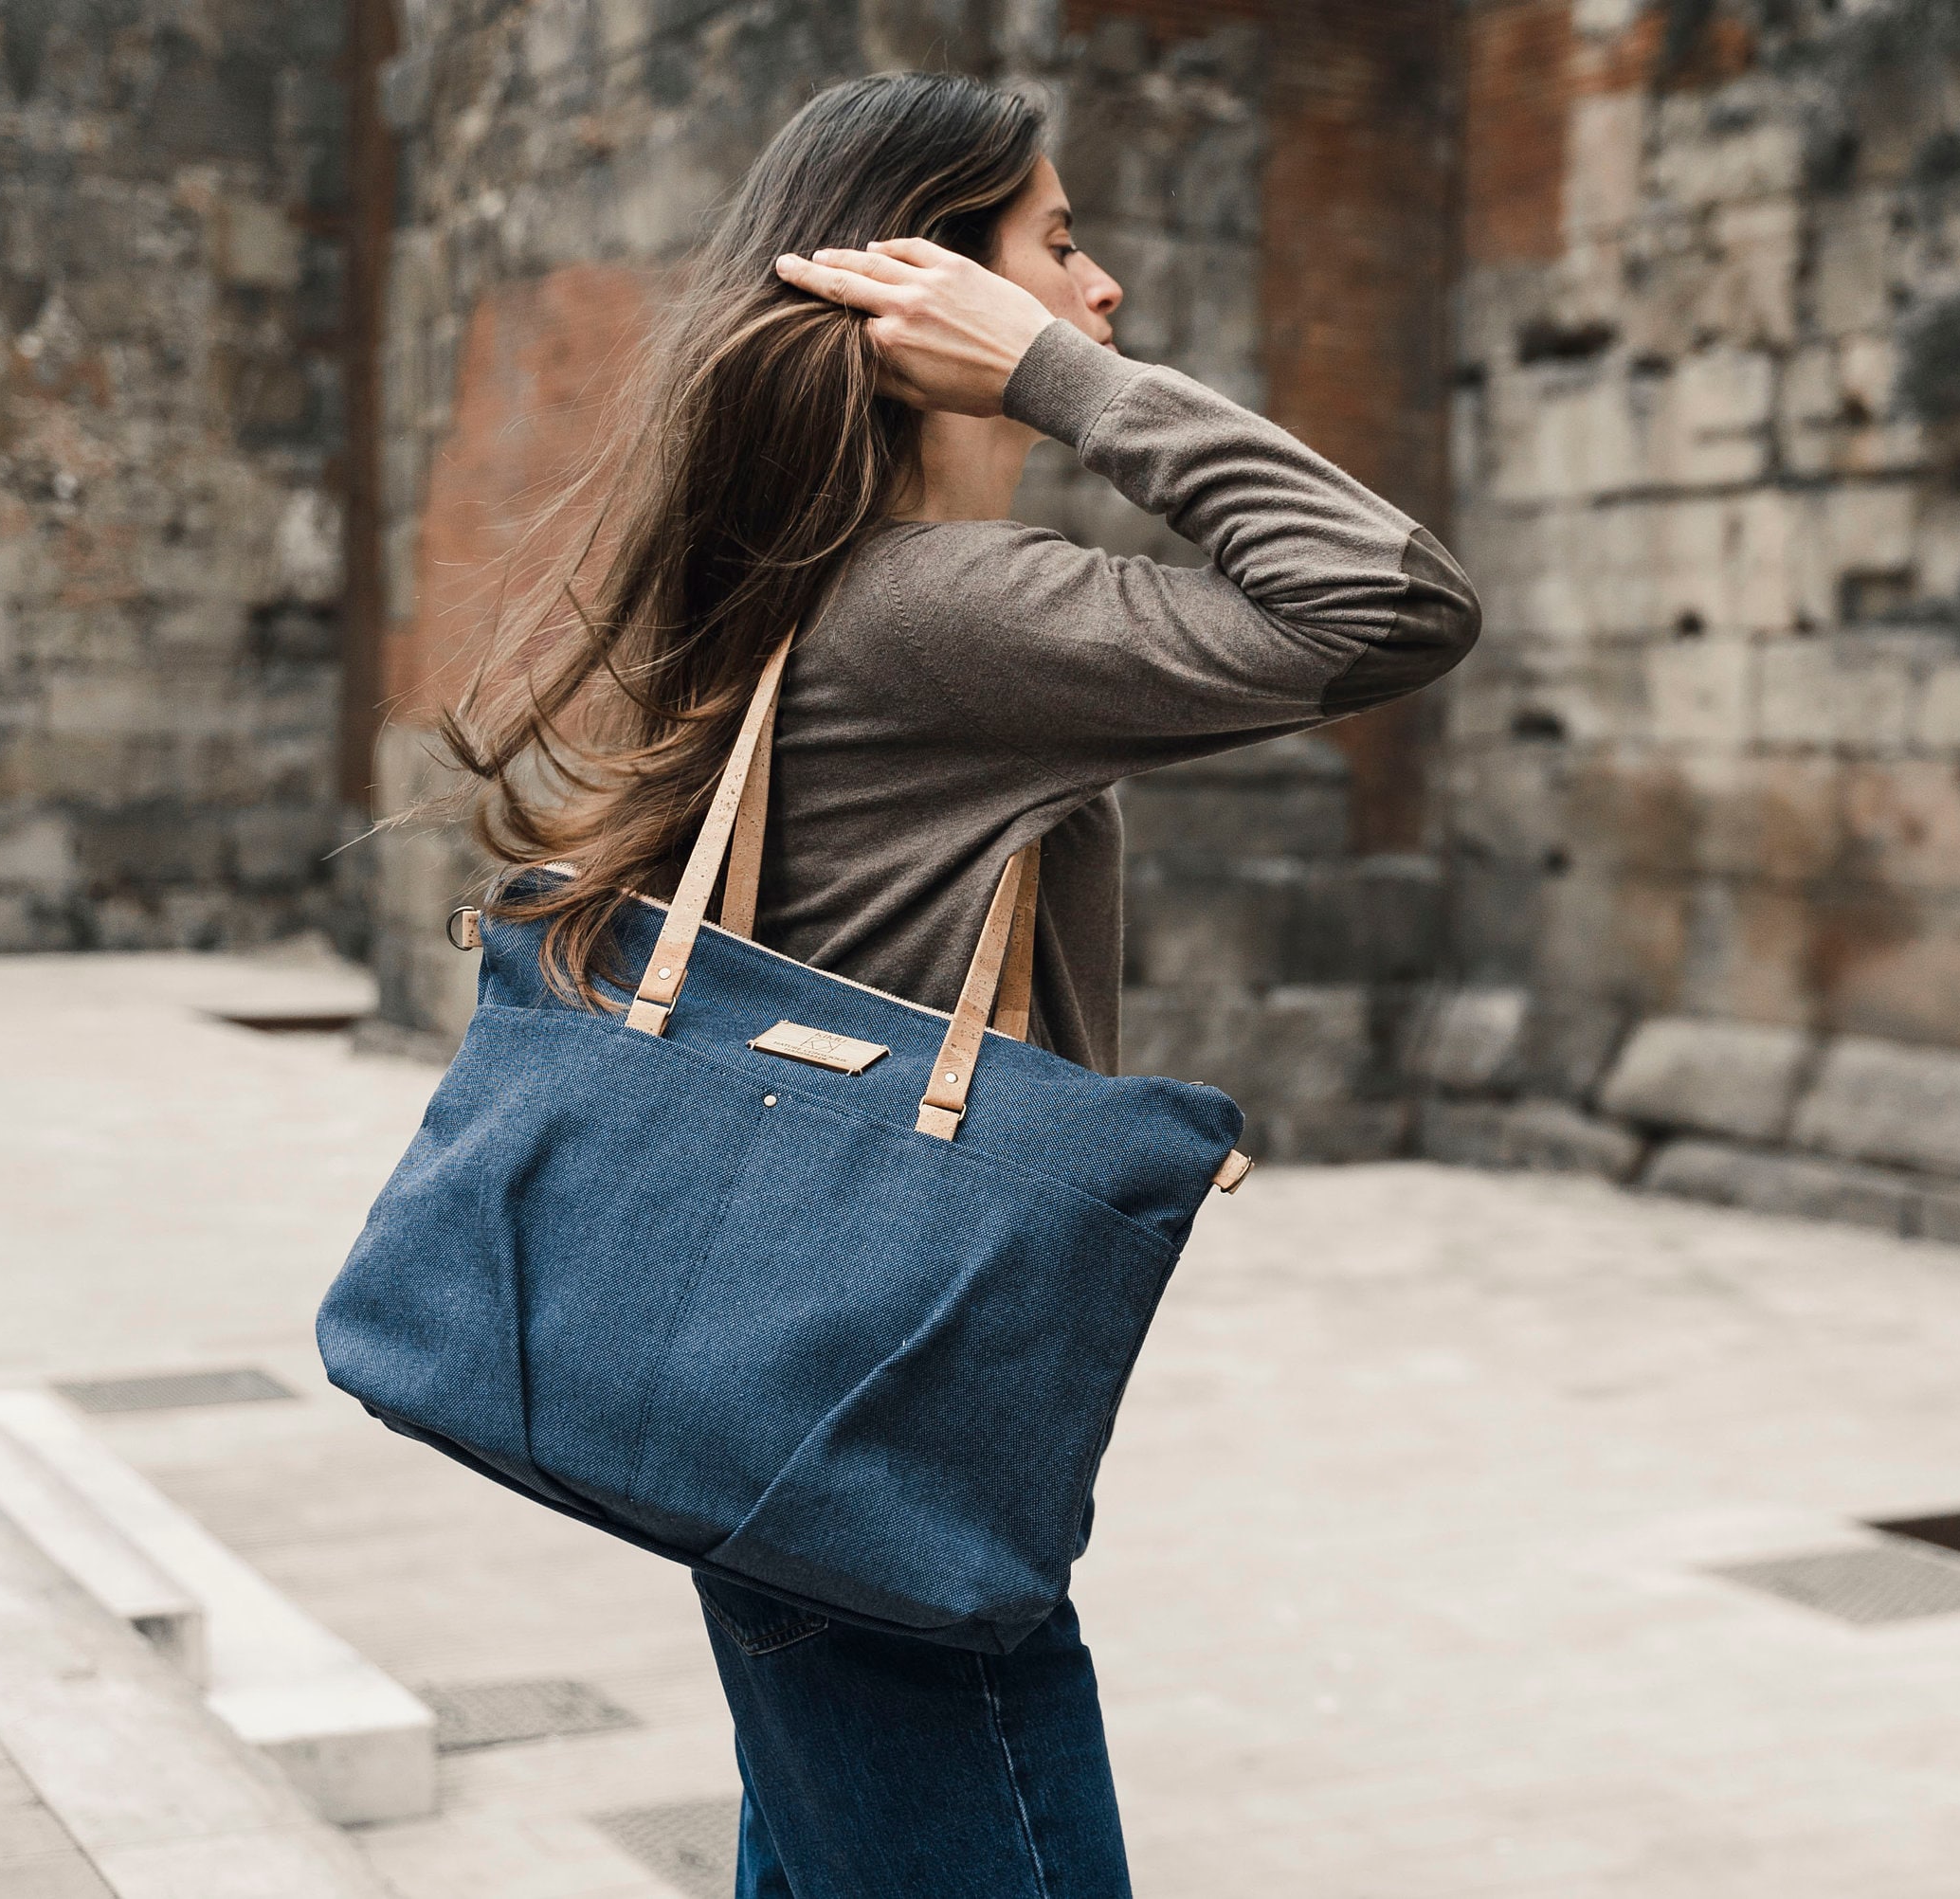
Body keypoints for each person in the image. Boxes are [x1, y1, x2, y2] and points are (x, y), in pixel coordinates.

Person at [441, 69, 1477, 1899]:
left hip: (788, 1409)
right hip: (880, 1434)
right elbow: (1387, 603)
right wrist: (1055, 381)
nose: (1105, 296)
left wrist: (1031, 350)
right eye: (1055, 250)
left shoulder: (811, 585)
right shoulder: (943, 612)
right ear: (929, 292)